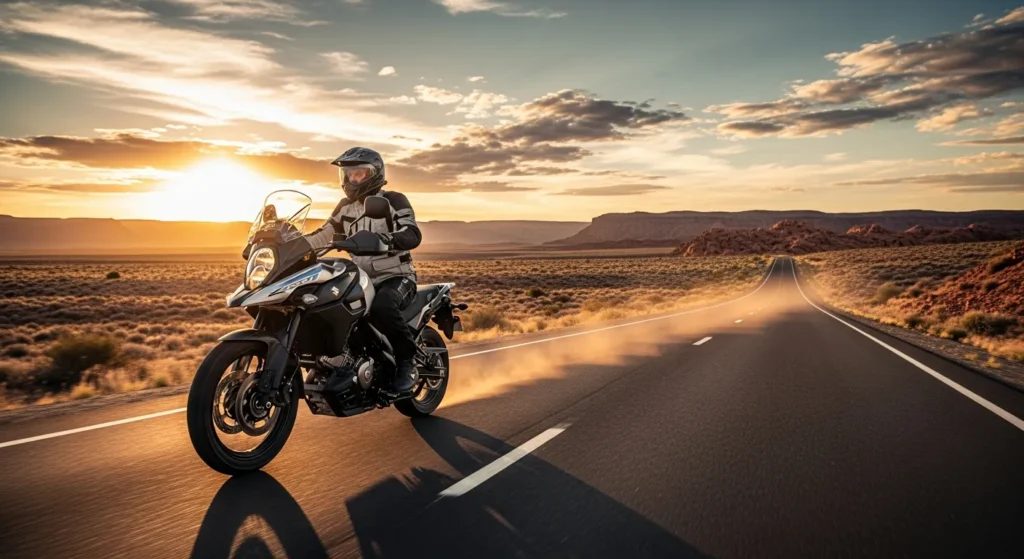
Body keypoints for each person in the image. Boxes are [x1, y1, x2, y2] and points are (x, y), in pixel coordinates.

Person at [304, 147, 422, 392]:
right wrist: (290, 245)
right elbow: (322, 234)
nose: (352, 179)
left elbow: (412, 232)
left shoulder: (393, 200)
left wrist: (387, 240)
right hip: (361, 278)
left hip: (396, 276)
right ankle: (342, 362)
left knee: (382, 306)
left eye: (360, 174)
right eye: (349, 174)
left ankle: (406, 361)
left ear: (375, 174)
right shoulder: (344, 206)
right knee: (330, 305)